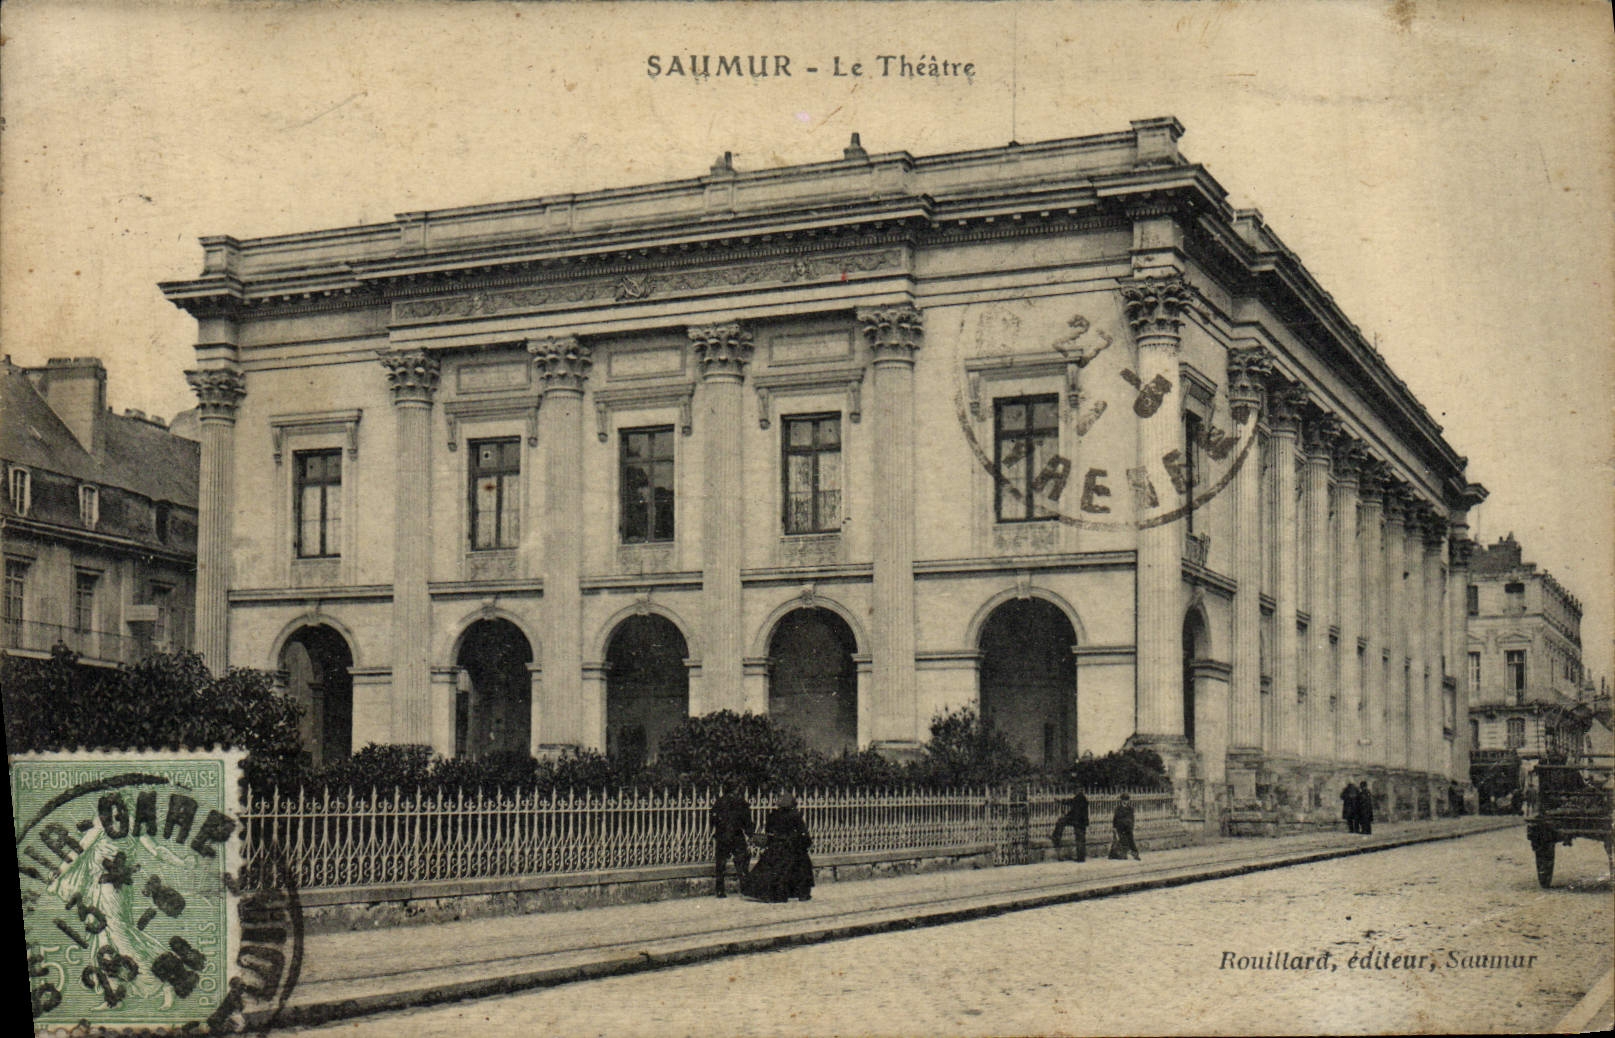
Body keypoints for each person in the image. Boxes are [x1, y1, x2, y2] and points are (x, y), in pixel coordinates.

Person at [741, 794, 815, 902]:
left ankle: (772, 893)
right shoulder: (795, 815)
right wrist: (806, 842)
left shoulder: (773, 815)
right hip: (792, 846)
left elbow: (768, 830)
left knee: (772, 869)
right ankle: (801, 893)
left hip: (776, 846)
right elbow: (802, 832)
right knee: (802, 867)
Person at [710, 789, 755, 898]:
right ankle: (745, 888)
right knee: (742, 861)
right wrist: (750, 834)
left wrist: (717, 830)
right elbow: (747, 821)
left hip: (722, 836)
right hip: (736, 836)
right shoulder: (740, 802)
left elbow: (713, 819)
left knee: (720, 863)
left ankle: (720, 890)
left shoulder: (718, 802)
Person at [1050, 790, 1090, 862]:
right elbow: (1071, 802)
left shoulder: (1079, 798)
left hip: (1078, 821)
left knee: (1079, 839)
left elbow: (1072, 803)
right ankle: (1081, 857)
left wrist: (1062, 802)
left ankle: (1056, 836)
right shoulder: (1081, 798)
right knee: (1081, 839)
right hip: (1081, 822)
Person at [1108, 793, 1141, 860]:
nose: (1125, 801)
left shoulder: (1130, 809)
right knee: (1120, 841)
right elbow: (1115, 818)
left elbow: (1132, 818)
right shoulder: (1118, 808)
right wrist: (1114, 827)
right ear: (1121, 800)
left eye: (1127, 800)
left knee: (1131, 841)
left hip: (1128, 828)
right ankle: (1117, 855)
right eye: (1124, 800)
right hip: (1120, 828)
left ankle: (1135, 855)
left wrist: (1132, 826)